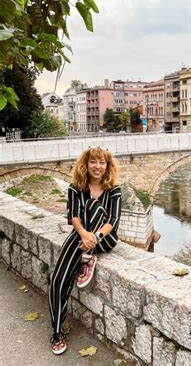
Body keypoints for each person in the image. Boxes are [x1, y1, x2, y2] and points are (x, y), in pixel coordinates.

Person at [48, 147, 122, 355]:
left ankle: (87, 259)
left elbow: (113, 221)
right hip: (81, 237)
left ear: (107, 166)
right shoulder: (75, 187)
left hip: (105, 239)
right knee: (58, 280)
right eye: (93, 162)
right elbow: (73, 216)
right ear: (86, 164)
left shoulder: (114, 189)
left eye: (102, 163)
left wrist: (94, 238)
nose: (97, 167)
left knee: (94, 208)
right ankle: (56, 331)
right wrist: (83, 234)